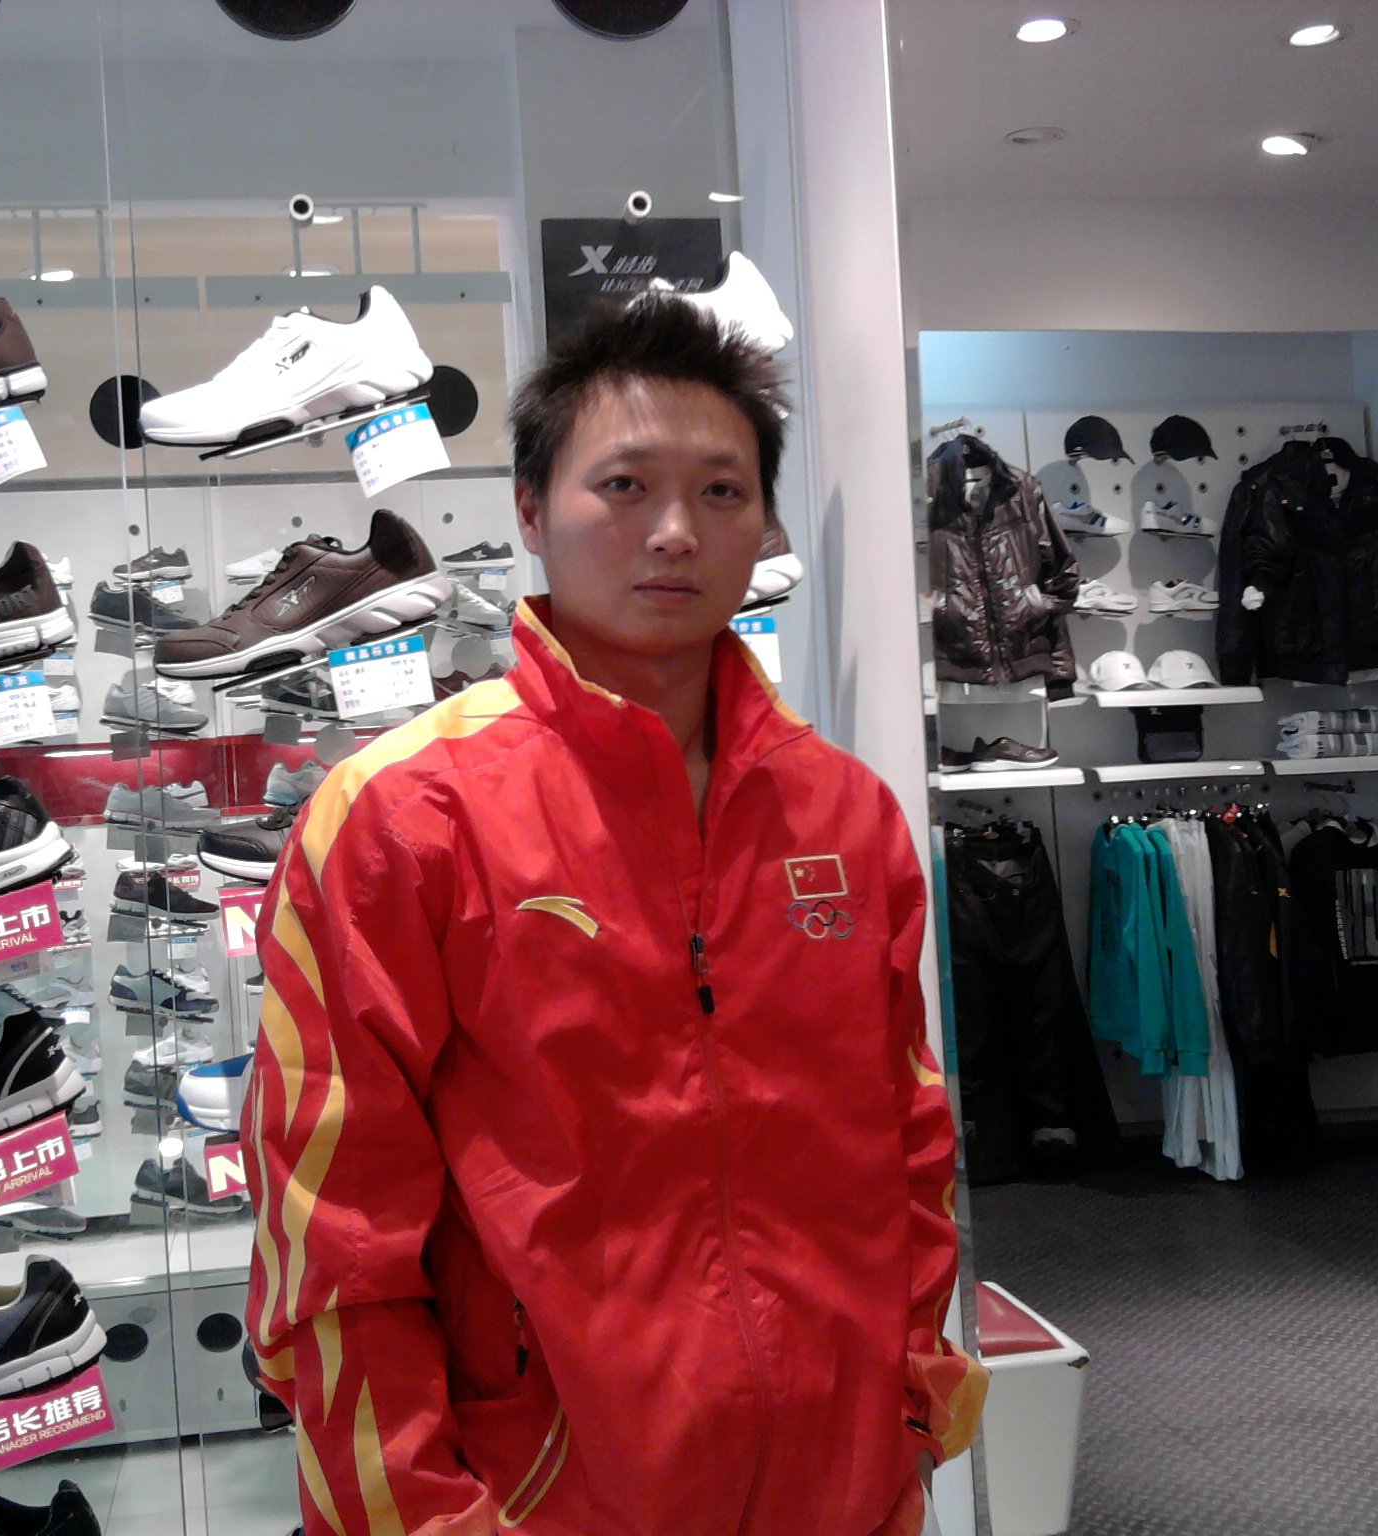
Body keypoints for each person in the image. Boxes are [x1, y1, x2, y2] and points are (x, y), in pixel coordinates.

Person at [242, 296, 985, 1536]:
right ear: (530, 511)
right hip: (544, 1498)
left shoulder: (843, 815)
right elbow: (331, 1235)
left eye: (722, 492)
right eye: (624, 485)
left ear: (763, 523)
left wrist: (906, 1407)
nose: (676, 532)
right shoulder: (400, 819)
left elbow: (905, 1139)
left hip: (844, 1486)